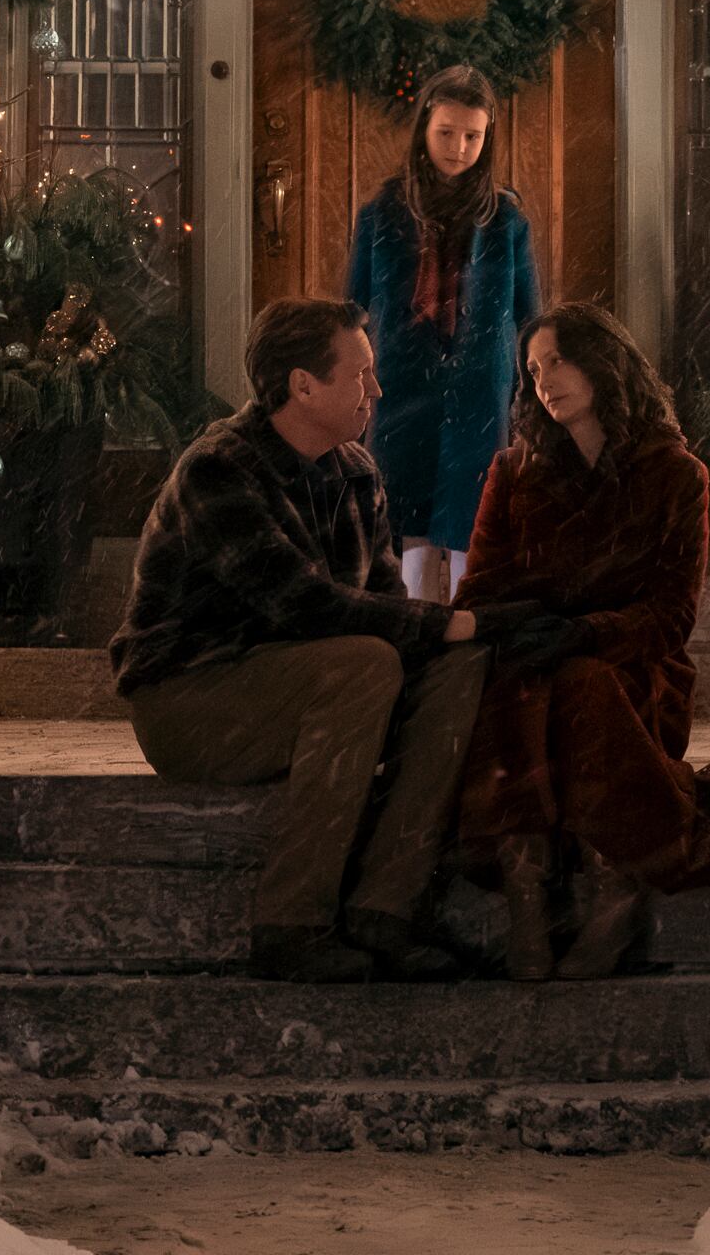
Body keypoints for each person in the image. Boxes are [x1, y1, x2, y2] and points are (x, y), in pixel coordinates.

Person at [112, 296, 523, 984]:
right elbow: (302, 606)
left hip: (302, 686)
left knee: (457, 665)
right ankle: (293, 923)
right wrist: (448, 619)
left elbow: (383, 605)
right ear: (303, 385)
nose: (377, 390)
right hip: (192, 700)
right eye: (361, 374)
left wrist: (468, 632)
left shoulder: (355, 473)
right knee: (364, 662)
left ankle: (386, 909)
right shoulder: (220, 469)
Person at [455, 303, 710, 981]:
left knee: (580, 682)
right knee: (519, 684)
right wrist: (525, 625)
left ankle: (615, 889)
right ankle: (527, 895)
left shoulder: (675, 475)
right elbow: (480, 591)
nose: (545, 380)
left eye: (557, 361)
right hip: (531, 662)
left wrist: (587, 632)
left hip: (635, 671)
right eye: (533, 370)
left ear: (602, 364)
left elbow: (672, 614)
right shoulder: (514, 473)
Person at [345, 64, 540, 604]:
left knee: (470, 510)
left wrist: (528, 386)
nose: (458, 148)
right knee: (403, 508)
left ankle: (464, 620)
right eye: (446, 133)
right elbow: (354, 308)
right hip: (401, 380)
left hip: (479, 384)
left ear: (488, 137)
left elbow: (531, 315)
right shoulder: (383, 214)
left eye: (473, 136)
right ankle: (412, 619)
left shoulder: (506, 220)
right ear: (423, 131)